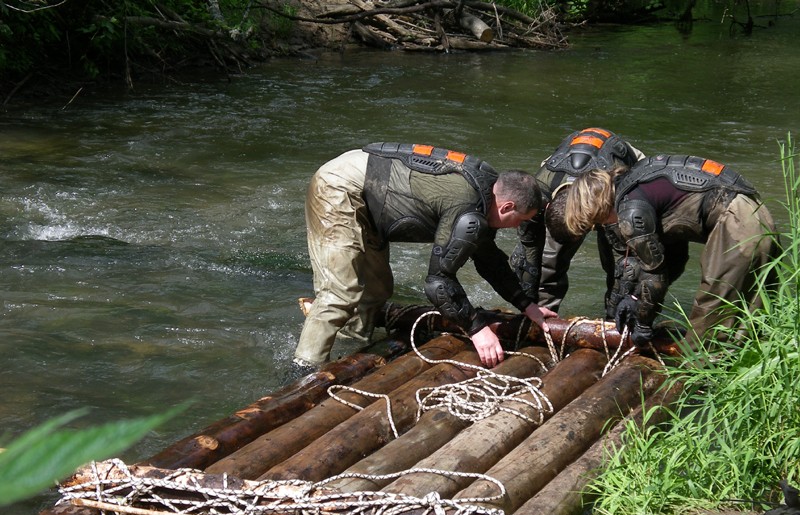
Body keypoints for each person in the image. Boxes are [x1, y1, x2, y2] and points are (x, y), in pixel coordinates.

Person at [292, 142, 558, 374]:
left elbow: (490, 261)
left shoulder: (486, 195)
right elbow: (438, 281)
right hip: (342, 186)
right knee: (341, 291)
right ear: (507, 206)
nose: (516, 228)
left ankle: (349, 352)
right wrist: (477, 330)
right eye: (519, 221)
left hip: (372, 190)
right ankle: (303, 371)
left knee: (376, 289)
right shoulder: (466, 206)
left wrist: (526, 305)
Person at [563, 153, 779, 348]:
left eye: (598, 221)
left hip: (736, 222)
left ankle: (700, 380)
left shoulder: (631, 210)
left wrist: (644, 322)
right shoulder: (636, 184)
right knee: (755, 311)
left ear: (598, 207)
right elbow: (671, 261)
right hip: (755, 211)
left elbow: (655, 275)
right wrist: (636, 299)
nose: (603, 226)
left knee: (711, 312)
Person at [509, 127, 645, 314]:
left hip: (618, 175)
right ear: (548, 207)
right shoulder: (539, 192)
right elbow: (530, 252)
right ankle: (544, 314)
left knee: (622, 268)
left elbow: (625, 263)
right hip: (568, 164)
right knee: (544, 262)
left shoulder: (616, 195)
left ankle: (615, 320)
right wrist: (528, 306)